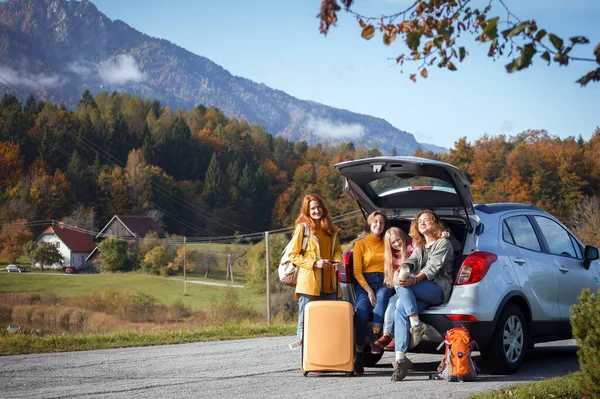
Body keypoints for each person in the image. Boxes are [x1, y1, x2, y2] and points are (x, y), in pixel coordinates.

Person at [390, 210, 454, 382]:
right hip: (421, 290)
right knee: (400, 310)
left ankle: (416, 324)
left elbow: (432, 268)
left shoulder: (443, 243)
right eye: (419, 222)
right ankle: (401, 359)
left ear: (435, 223)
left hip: (438, 289)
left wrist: (413, 280)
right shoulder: (420, 248)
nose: (422, 223)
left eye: (426, 220)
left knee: (401, 283)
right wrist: (401, 270)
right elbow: (411, 262)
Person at [288, 194, 343, 354]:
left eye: (319, 207)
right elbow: (293, 255)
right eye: (312, 208)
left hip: (330, 284)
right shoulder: (303, 229)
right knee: (305, 323)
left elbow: (337, 250)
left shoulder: (331, 230)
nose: (317, 210)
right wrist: (314, 263)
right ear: (307, 211)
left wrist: (339, 261)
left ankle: (324, 357)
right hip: (309, 285)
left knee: (328, 324)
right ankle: (305, 360)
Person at [352, 210, 393, 375]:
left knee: (382, 298)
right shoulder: (360, 244)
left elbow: (405, 243)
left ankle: (376, 338)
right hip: (364, 283)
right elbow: (357, 272)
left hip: (384, 281)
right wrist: (369, 291)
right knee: (362, 312)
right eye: (375, 222)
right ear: (369, 223)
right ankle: (359, 352)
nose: (378, 225)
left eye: (381, 222)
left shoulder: (387, 241)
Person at [370, 227, 412, 354]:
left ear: (403, 237)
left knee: (396, 303)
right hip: (400, 287)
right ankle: (387, 334)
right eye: (393, 243)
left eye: (398, 240)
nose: (397, 244)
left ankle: (393, 336)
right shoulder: (392, 256)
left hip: (412, 285)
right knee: (391, 303)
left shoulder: (411, 247)